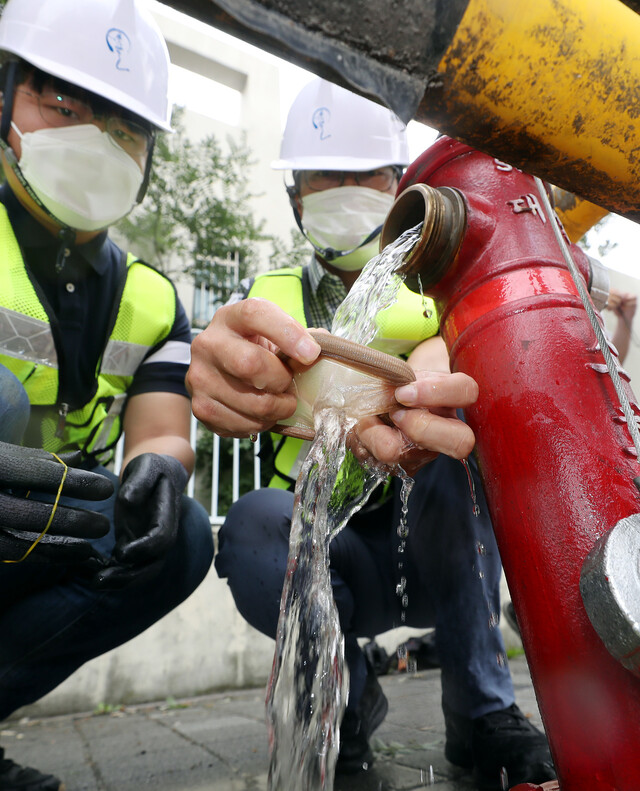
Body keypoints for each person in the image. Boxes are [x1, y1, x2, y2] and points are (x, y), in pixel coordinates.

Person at [187, 78, 556, 791]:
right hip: (334, 556)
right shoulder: (267, 300)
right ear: (296, 192)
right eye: (328, 171)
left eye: (369, 172)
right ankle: (346, 701)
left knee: (453, 446)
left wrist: (455, 361)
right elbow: (225, 373)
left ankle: (482, 711)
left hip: (440, 554)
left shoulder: (444, 295)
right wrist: (224, 373)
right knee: (254, 522)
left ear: (401, 187)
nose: (349, 186)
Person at [0, 1, 214, 789]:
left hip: (37, 535)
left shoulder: (152, 299)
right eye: (63, 103)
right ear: (4, 96)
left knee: (184, 536)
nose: (93, 138)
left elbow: (161, 428)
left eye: (125, 127)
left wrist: (160, 469)